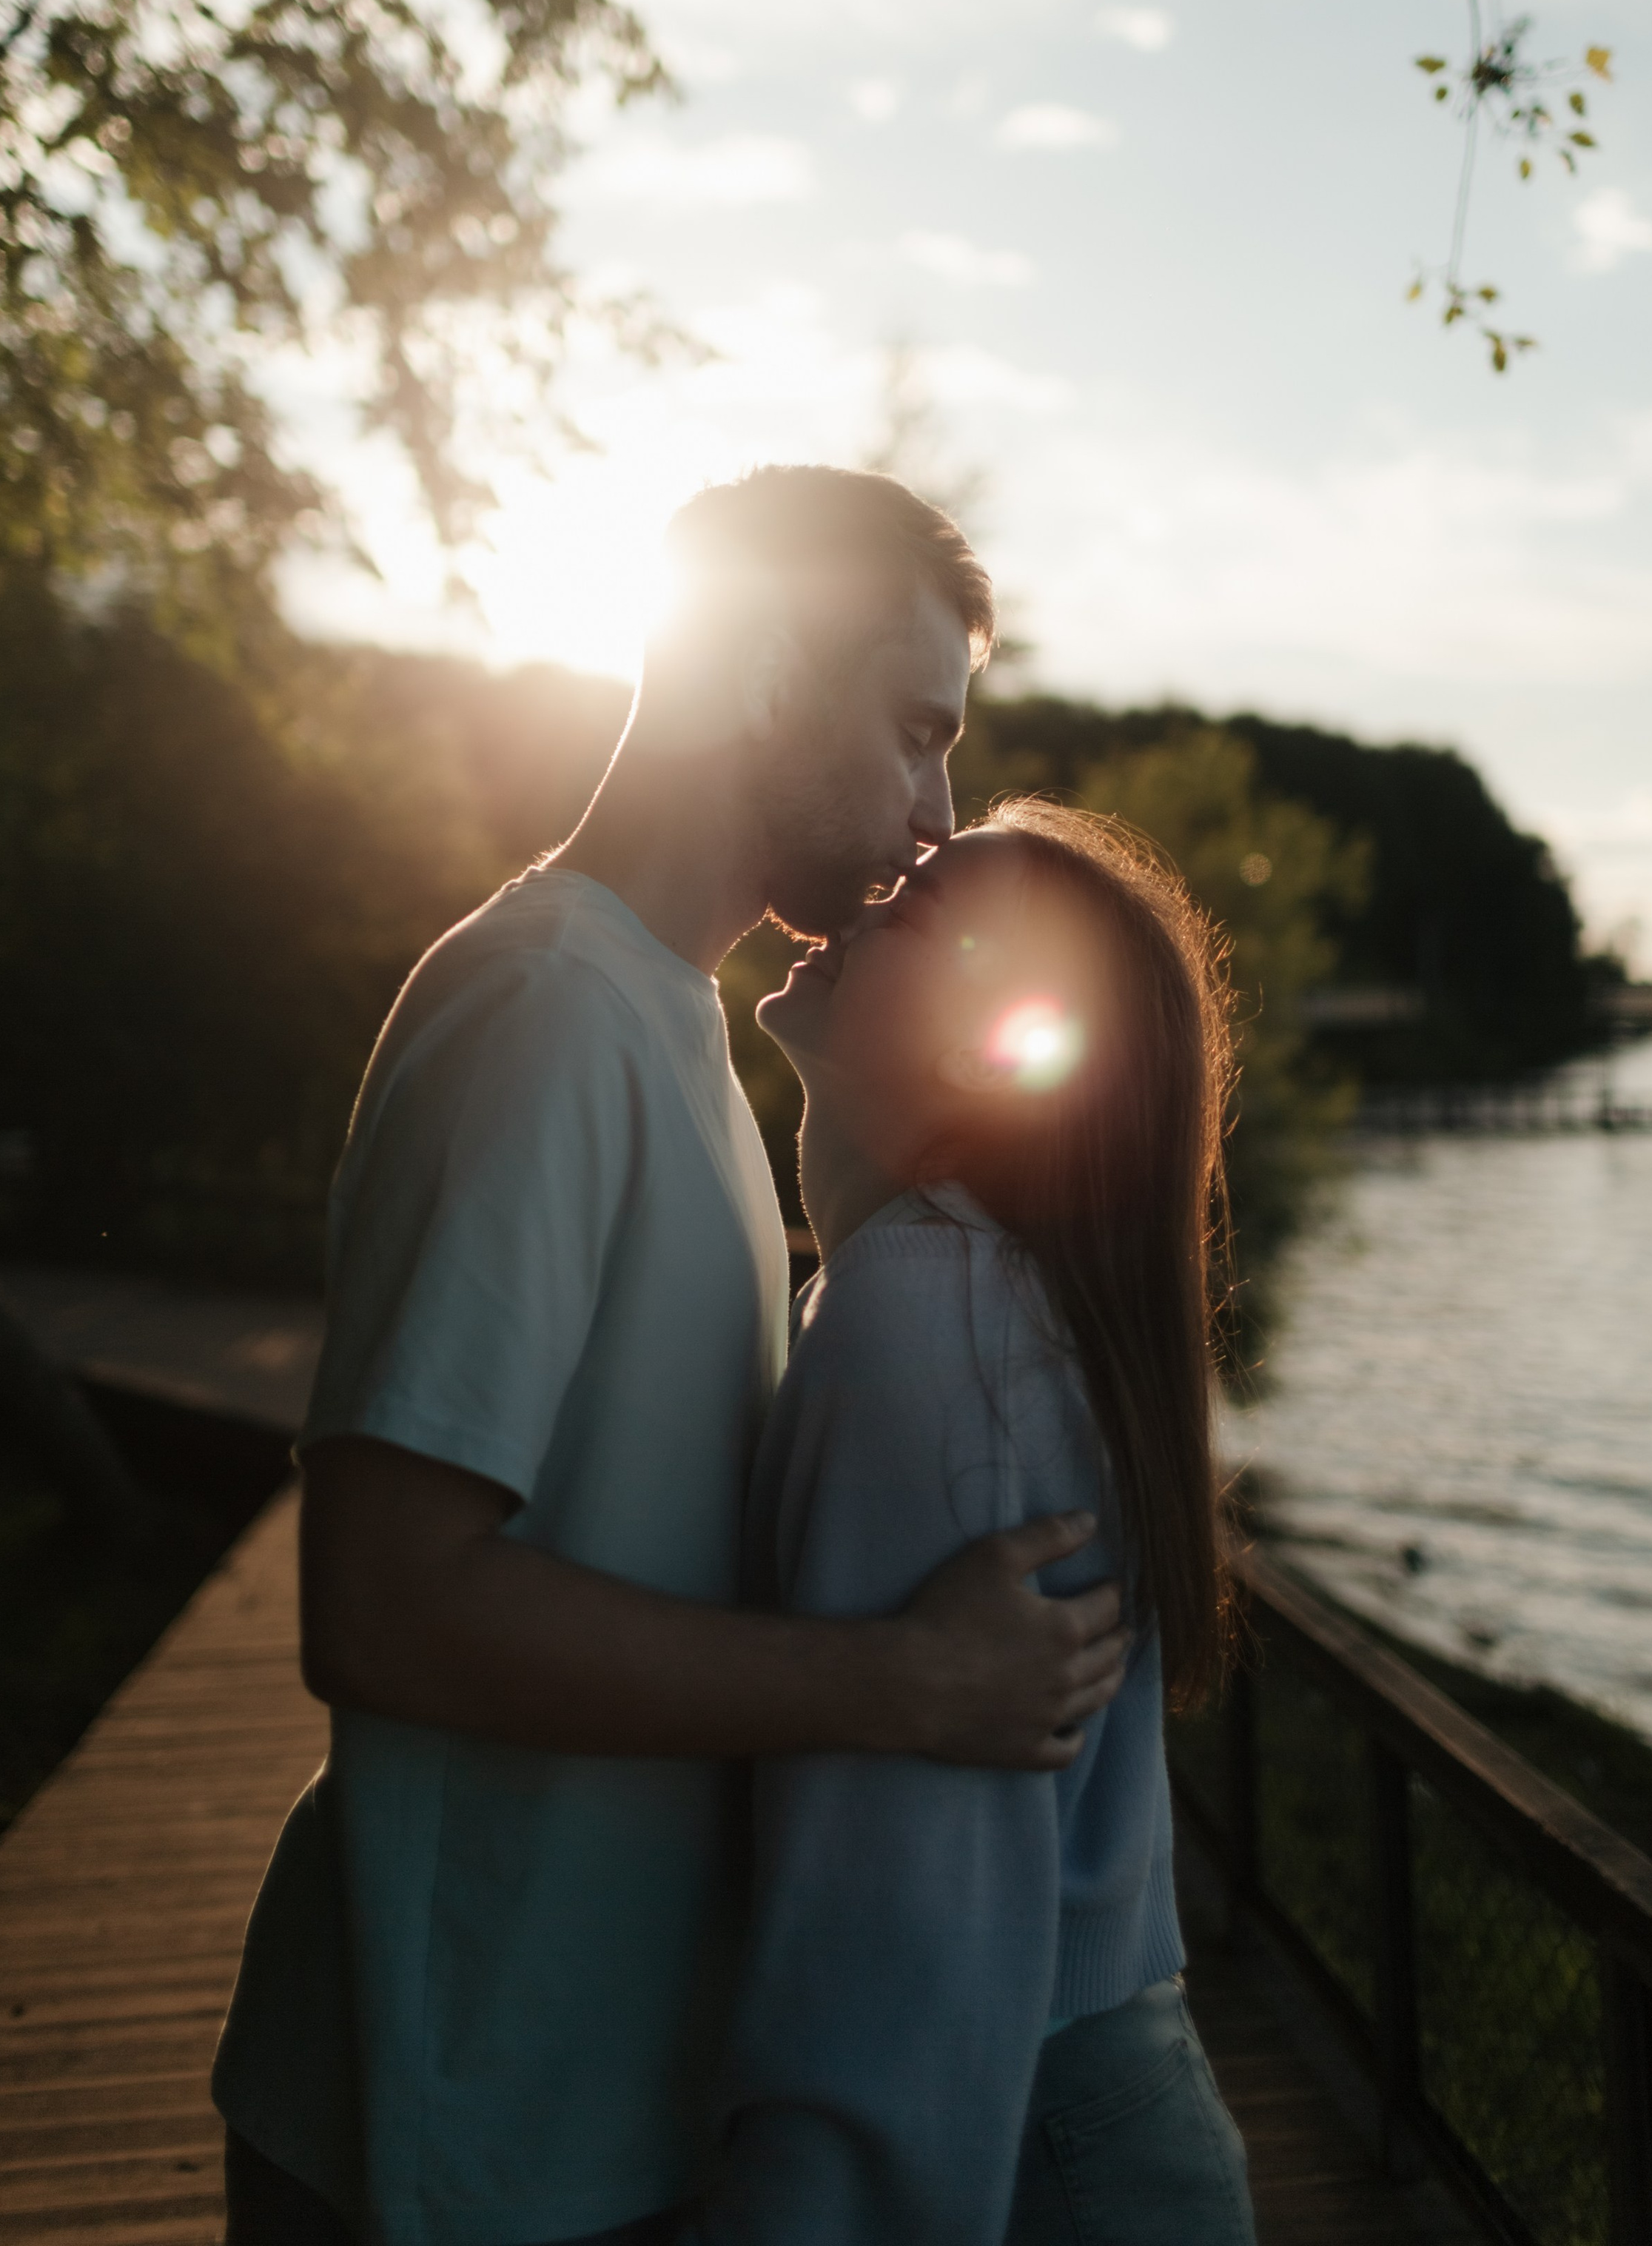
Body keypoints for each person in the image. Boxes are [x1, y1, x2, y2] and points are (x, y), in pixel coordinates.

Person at [212, 469, 1129, 2246]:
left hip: (585, 2108)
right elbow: (382, 1607)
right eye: (914, 730)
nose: (935, 812)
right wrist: (899, 1684)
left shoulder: (675, 1022)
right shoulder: (545, 1010)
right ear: (765, 666)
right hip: (447, 2125)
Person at [692, 799, 1259, 2246]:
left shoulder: (921, 1320)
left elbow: (892, 1909)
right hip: (1083, 2111)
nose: (858, 906)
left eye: (916, 910)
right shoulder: (972, 1297)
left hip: (1026, 2135)